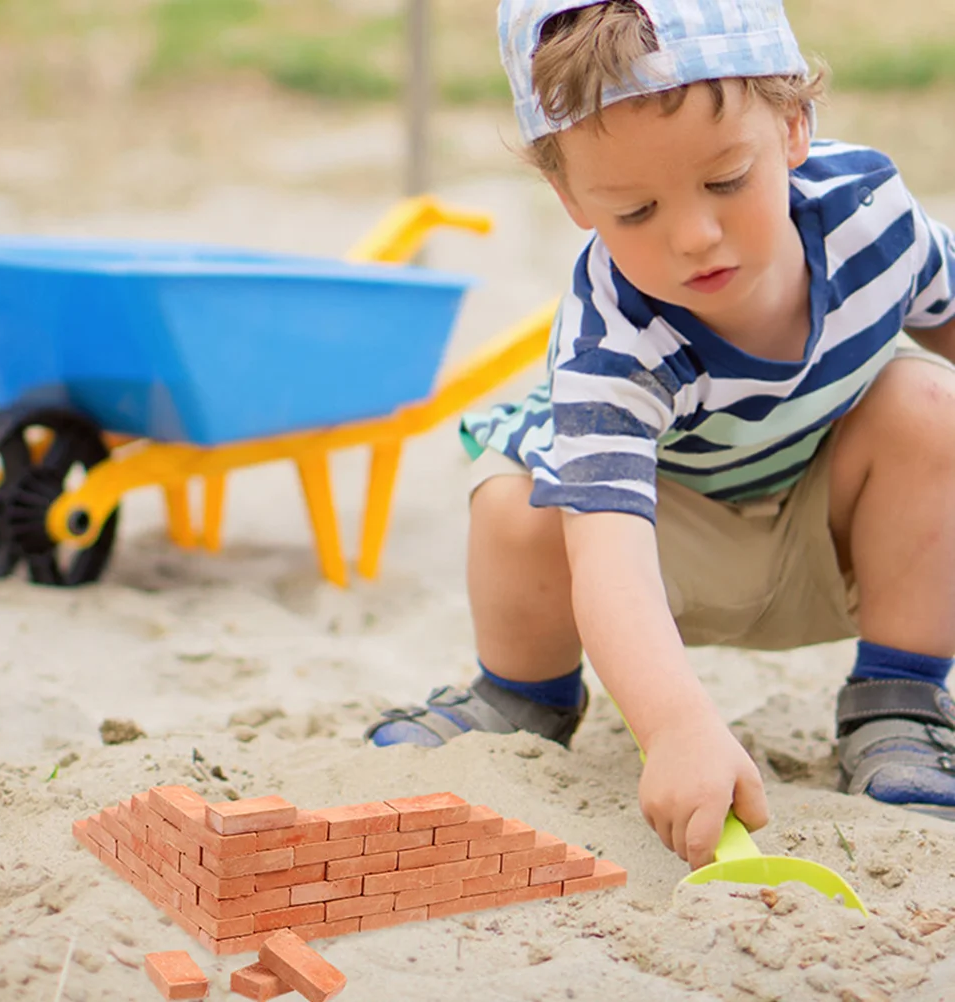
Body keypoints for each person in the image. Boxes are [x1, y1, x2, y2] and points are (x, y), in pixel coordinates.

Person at [365, 0, 955, 870]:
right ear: (570, 197)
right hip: (658, 562)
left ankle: (899, 698)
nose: (693, 236)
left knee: (928, 406)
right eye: (634, 211)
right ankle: (524, 693)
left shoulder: (871, 218)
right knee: (520, 494)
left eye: (726, 182)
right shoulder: (616, 336)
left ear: (794, 126)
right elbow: (606, 557)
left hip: (830, 535)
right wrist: (677, 728)